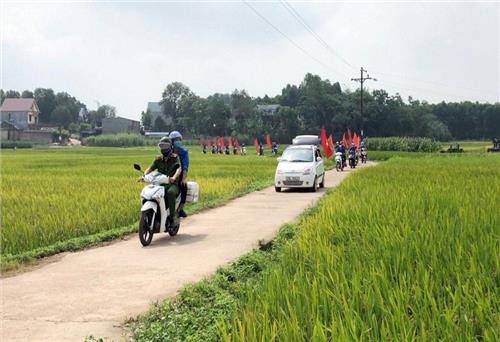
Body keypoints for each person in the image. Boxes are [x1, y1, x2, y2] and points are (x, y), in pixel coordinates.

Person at [140, 137, 181, 226]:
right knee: (149, 194)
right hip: (160, 184)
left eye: (165, 146)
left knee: (170, 193)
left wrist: (174, 177)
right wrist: (144, 176)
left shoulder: (175, 158)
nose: (163, 148)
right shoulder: (158, 159)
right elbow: (150, 168)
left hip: (172, 184)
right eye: (161, 146)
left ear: (170, 147)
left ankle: (172, 217)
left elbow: (178, 168)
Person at [169, 131, 189, 218]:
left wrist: (183, 178)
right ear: (171, 142)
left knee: (184, 186)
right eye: (175, 140)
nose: (178, 141)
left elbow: (185, 167)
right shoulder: (168, 151)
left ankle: (181, 208)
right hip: (168, 173)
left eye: (179, 139)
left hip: (179, 173)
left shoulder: (183, 152)